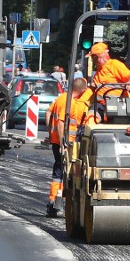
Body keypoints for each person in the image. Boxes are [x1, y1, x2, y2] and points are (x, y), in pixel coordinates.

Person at [44, 77, 93, 217]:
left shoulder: (62, 97)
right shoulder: (69, 102)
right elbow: (60, 123)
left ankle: (55, 201)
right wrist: (63, 144)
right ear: (82, 90)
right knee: (62, 172)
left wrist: (50, 133)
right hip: (65, 143)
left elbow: (48, 113)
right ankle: (56, 202)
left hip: (56, 141)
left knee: (60, 170)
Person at [88, 42, 130, 122]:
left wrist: (129, 83)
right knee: (90, 118)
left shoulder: (114, 64)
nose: (93, 60)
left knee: (92, 118)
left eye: (93, 57)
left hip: (117, 104)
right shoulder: (98, 72)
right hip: (101, 105)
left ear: (98, 56)